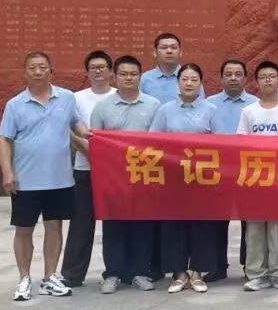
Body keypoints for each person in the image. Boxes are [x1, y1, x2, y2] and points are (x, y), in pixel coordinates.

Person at [0, 52, 79, 301]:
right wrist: (7, 172)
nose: (37, 71)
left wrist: (94, 136)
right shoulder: (15, 104)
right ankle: (24, 278)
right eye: (32, 67)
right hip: (26, 180)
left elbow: (76, 125)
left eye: (42, 67)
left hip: (59, 178)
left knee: (54, 226)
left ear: (51, 70)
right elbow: (4, 140)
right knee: (24, 229)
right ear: (25, 73)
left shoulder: (67, 98)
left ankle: (50, 277)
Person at [90, 55, 162, 294]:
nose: (128, 78)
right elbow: (95, 144)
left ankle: (140, 272)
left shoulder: (153, 105)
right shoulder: (102, 107)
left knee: (142, 226)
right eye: (123, 74)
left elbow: (159, 141)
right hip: (113, 177)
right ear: (114, 77)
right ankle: (113, 273)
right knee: (114, 225)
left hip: (144, 175)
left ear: (140, 76)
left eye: (133, 74)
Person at [149, 64, 221, 293]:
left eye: (194, 79)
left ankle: (198, 273)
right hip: (173, 178)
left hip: (202, 179)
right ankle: (179, 273)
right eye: (185, 79)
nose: (189, 83)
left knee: (202, 226)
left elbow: (221, 144)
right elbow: (153, 142)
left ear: (200, 83)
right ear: (178, 82)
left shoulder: (211, 110)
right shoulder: (165, 110)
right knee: (174, 225)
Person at [237, 61, 278, 292]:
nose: (268, 80)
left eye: (272, 76)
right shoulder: (248, 112)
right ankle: (257, 274)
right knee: (255, 229)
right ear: (256, 82)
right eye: (263, 77)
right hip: (255, 177)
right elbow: (242, 144)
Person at [60, 50, 115, 287]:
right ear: (87, 72)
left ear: (111, 71)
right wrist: (90, 153)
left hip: (114, 171)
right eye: (93, 67)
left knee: (115, 222)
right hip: (84, 168)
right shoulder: (76, 98)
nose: (98, 71)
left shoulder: (118, 96)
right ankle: (73, 274)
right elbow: (69, 129)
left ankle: (116, 271)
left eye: (102, 67)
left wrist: (105, 158)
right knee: (81, 222)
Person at [206, 59, 259, 282]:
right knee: (217, 221)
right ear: (221, 78)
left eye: (238, 74)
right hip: (218, 170)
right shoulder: (208, 104)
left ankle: (250, 265)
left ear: (245, 78)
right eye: (228, 74)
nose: (233, 78)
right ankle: (217, 266)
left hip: (248, 168)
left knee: (250, 220)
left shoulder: (256, 104)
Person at [140, 32, 203, 103]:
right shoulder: (145, 79)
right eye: (164, 48)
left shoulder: (192, 78)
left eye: (173, 48)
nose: (169, 51)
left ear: (180, 52)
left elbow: (200, 106)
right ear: (155, 52)